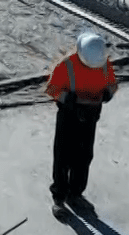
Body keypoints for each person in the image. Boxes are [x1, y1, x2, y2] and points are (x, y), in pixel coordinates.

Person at [45, 31, 118, 218]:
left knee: (84, 157)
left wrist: (108, 93)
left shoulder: (102, 64)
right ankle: (59, 198)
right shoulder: (67, 65)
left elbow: (111, 84)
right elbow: (51, 88)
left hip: (90, 117)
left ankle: (75, 194)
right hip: (68, 118)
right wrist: (66, 98)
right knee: (63, 157)